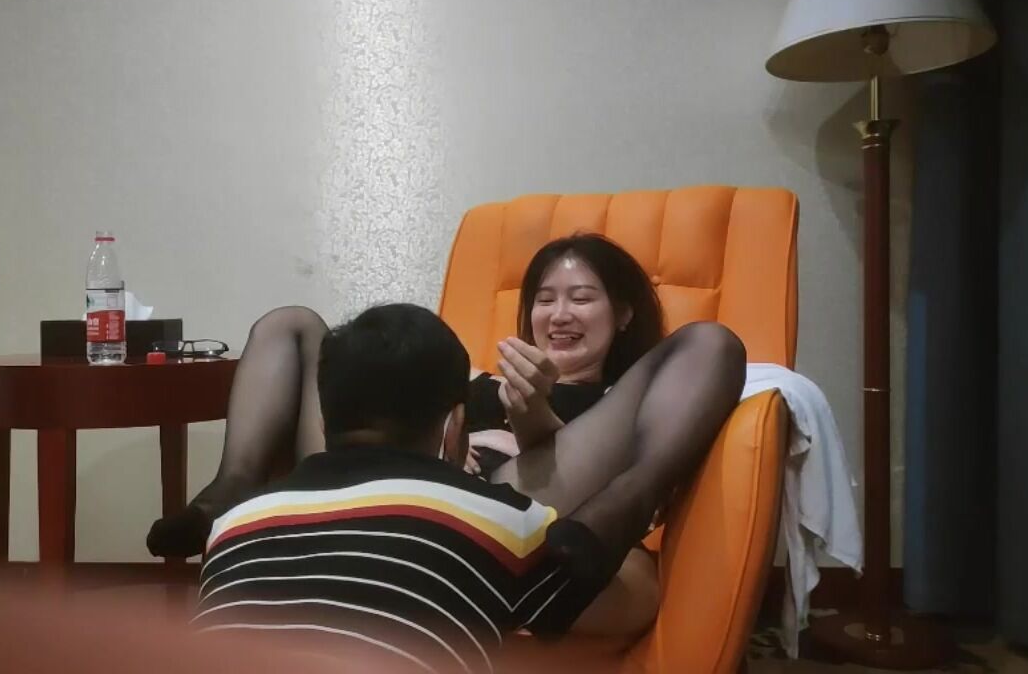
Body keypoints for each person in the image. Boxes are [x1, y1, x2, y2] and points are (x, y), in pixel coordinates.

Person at [149, 233, 747, 642]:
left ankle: (620, 509)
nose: (560, 313)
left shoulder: (629, 400)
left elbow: (560, 475)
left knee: (711, 341)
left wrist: (533, 417)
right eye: (544, 300)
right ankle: (231, 485)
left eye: (582, 298)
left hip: (504, 509)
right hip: (381, 473)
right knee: (291, 322)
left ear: (623, 314)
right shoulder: (469, 377)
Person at [192, 303, 628, 674]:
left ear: (323, 423)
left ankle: (227, 480)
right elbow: (631, 604)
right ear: (455, 427)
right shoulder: (502, 523)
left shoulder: (230, 528)